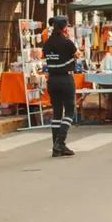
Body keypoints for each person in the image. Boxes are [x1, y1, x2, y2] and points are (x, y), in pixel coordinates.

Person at [43, 17, 81, 157]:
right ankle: (60, 142)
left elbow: (45, 55)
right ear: (64, 28)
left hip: (52, 80)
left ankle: (56, 146)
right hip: (65, 79)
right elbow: (77, 54)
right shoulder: (67, 42)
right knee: (70, 111)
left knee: (57, 113)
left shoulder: (47, 43)